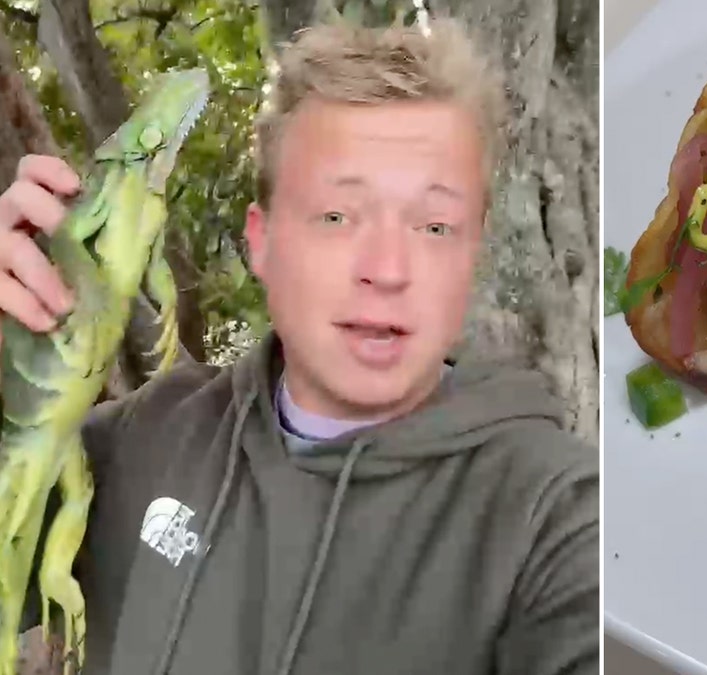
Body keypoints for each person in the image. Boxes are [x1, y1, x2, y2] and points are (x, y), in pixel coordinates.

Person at [2, 15, 599, 675]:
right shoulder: (143, 439)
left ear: (473, 253)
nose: (387, 268)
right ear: (262, 240)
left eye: (434, 224)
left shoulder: (556, 514)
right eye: (337, 217)